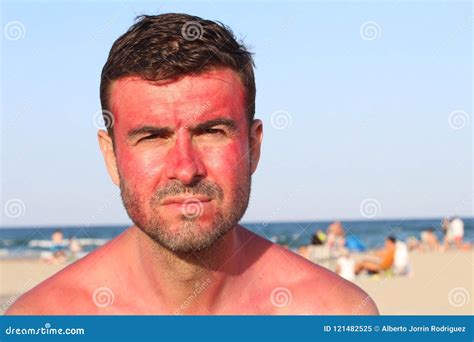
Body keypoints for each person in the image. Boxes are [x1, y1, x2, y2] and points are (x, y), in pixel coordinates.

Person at [6, 13, 377, 315]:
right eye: (152, 137)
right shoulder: (44, 321)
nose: (185, 169)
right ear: (111, 156)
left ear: (253, 145)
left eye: (211, 132)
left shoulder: (333, 315)